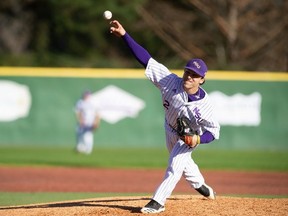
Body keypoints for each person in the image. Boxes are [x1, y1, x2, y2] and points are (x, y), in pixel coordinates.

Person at [110, 20, 220, 214]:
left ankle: (158, 202)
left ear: (202, 80)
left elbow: (214, 132)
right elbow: (146, 60)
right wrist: (125, 35)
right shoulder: (170, 81)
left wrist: (198, 139)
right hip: (169, 128)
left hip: (189, 136)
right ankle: (201, 185)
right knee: (183, 164)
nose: (189, 77)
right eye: (187, 72)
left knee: (175, 165)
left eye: (194, 75)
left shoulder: (205, 105)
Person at [75, 90, 100, 154]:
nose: (86, 96)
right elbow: (78, 112)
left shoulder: (94, 102)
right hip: (82, 122)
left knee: (88, 135)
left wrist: (96, 122)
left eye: (88, 95)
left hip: (90, 122)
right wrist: (80, 120)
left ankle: (88, 149)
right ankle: (80, 147)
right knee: (79, 134)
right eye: (85, 95)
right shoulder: (80, 102)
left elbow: (97, 114)